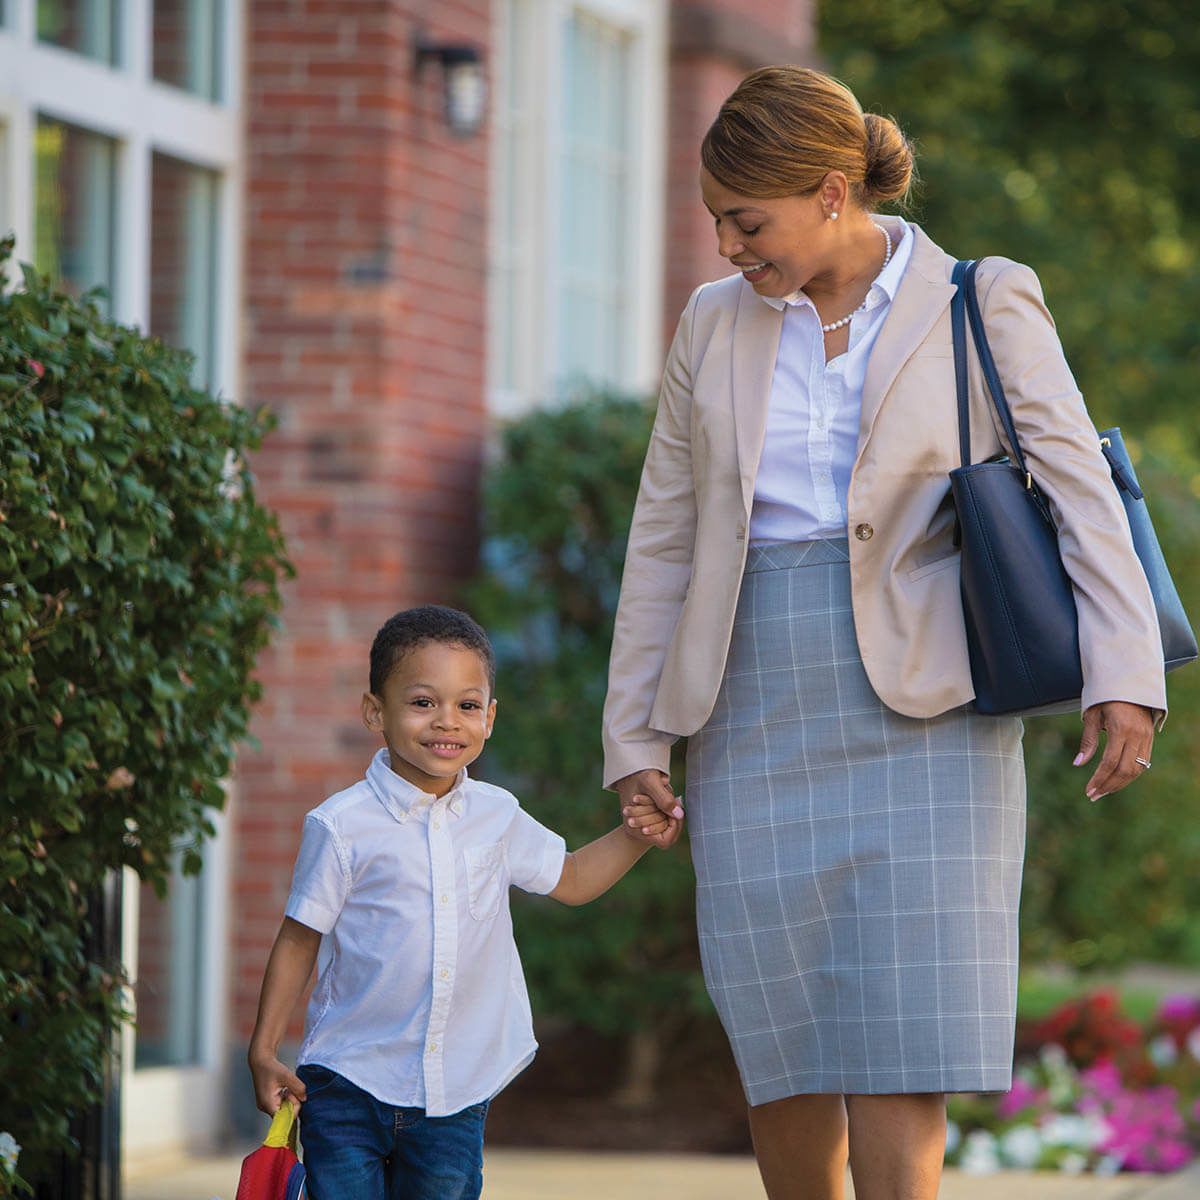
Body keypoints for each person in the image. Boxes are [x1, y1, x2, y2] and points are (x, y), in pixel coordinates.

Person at [603, 66, 1165, 1200]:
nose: (725, 246)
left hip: (931, 706)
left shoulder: (979, 297)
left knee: (904, 1025)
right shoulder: (712, 325)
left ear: (826, 192)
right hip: (753, 703)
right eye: (714, 220)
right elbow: (662, 537)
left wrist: (1125, 671)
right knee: (783, 1031)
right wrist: (636, 741)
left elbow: (1076, 490)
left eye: (745, 220)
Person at [248, 604, 679, 1200]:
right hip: (347, 1081)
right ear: (376, 711)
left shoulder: (497, 815)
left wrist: (634, 838)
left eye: (467, 705)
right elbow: (301, 937)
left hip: (454, 1090)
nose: (446, 721)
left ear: (490, 718)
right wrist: (265, 1048)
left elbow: (574, 878)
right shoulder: (342, 825)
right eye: (423, 702)